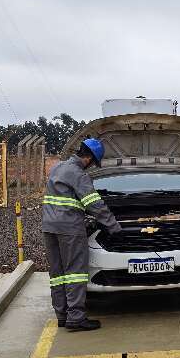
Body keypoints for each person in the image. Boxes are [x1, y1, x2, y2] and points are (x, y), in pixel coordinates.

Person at [42, 138, 121, 331]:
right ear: (90, 159)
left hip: (49, 227)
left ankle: (62, 315)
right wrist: (113, 226)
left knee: (58, 274)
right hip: (69, 228)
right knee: (75, 272)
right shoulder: (78, 174)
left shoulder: (57, 168)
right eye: (94, 162)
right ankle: (76, 318)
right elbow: (94, 204)